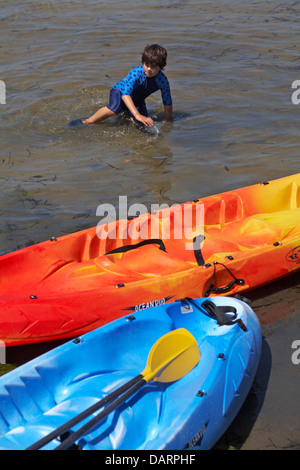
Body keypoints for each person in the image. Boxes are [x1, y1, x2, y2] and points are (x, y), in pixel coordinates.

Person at [71, 44, 172, 128]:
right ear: (143, 62)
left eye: (153, 67)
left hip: (137, 100)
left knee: (143, 123)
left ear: (161, 67)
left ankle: (125, 115)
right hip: (119, 92)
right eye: (147, 64)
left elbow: (167, 101)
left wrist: (168, 119)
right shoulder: (136, 73)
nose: (149, 69)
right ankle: (87, 121)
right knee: (114, 108)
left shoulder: (162, 81)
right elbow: (125, 94)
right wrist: (137, 114)